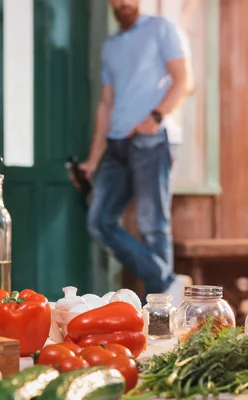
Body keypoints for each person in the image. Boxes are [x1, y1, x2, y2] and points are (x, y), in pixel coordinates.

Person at [76, 0, 194, 306]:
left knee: (152, 226)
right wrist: (93, 158)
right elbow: (106, 103)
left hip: (151, 140)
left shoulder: (161, 29)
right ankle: (166, 283)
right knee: (99, 221)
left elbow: (184, 80)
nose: (122, 2)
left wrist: (154, 118)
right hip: (116, 144)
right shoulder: (111, 46)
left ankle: (156, 309)